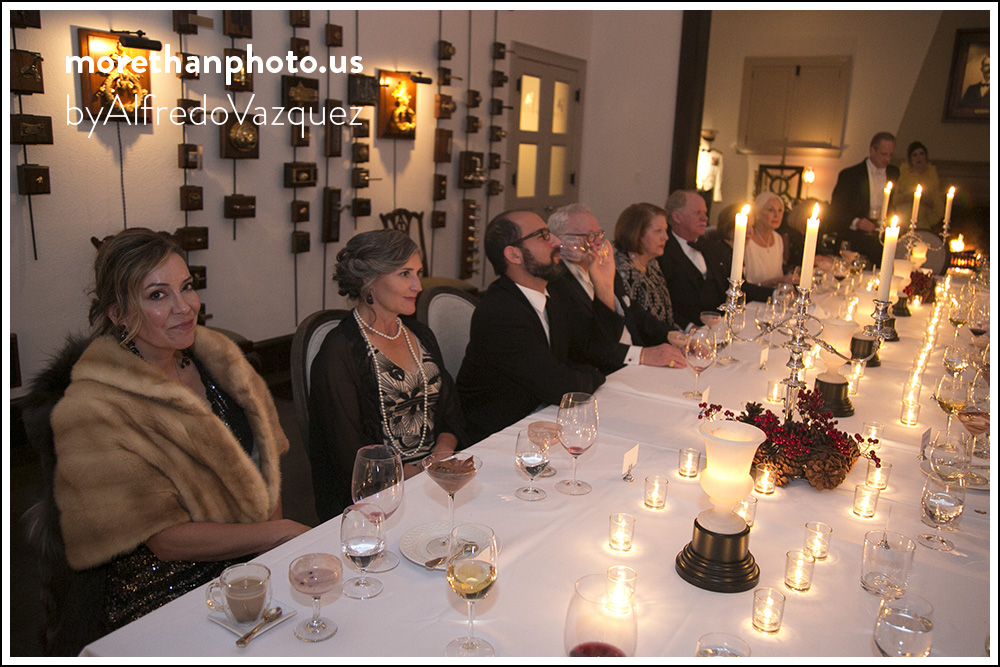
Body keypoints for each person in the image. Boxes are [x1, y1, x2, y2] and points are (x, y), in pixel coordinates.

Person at [41, 228, 309, 652]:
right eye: (157, 295)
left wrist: (266, 557)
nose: (184, 307)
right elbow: (165, 540)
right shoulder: (99, 406)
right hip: (164, 592)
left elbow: (266, 466)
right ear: (118, 314)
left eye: (186, 287)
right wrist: (275, 533)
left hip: (246, 566)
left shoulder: (219, 364)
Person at [308, 229, 468, 521]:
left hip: (435, 479)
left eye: (418, 273)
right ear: (368, 280)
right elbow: (348, 454)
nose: (418, 285)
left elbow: (451, 412)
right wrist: (416, 474)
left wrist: (442, 453)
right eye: (405, 274)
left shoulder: (419, 335)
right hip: (377, 501)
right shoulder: (339, 352)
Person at [456, 210, 618, 444]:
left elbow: (599, 352)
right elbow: (561, 388)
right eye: (543, 236)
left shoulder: (551, 297)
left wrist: (604, 286)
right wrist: (594, 373)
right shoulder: (500, 313)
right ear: (514, 254)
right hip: (497, 438)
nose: (557, 241)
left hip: (539, 423)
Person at [547, 203, 686, 373]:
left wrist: (670, 334)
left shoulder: (603, 265)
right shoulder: (555, 283)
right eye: (589, 236)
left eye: (599, 234)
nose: (598, 242)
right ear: (561, 241)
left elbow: (632, 310)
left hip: (635, 364)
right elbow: (582, 346)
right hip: (604, 372)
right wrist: (642, 354)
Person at [657, 190, 733, 327]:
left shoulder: (712, 247)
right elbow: (660, 304)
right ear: (677, 217)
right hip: (683, 330)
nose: (705, 218)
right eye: (698, 213)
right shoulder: (661, 252)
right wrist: (688, 327)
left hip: (720, 324)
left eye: (705, 213)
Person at [828, 131, 900, 266]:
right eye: (884, 154)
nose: (888, 159)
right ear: (872, 150)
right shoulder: (850, 175)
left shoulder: (893, 173)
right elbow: (836, 209)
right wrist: (856, 222)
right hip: (854, 240)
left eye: (891, 155)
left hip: (880, 241)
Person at [613, 203, 681, 331]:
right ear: (637, 233)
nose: (666, 237)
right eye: (658, 231)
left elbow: (666, 316)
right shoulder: (621, 270)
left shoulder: (652, 264)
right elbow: (632, 323)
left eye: (665, 230)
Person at [744, 191, 796, 288]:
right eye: (770, 210)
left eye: (780, 210)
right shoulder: (747, 240)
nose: (776, 215)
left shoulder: (778, 239)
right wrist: (778, 280)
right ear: (758, 213)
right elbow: (747, 285)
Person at [894, 141, 940, 230]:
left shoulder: (931, 176)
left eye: (921, 154)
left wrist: (924, 199)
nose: (918, 157)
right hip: (903, 219)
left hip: (923, 220)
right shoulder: (902, 174)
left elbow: (936, 202)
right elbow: (894, 199)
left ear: (926, 156)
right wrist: (909, 197)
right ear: (910, 158)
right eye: (914, 155)